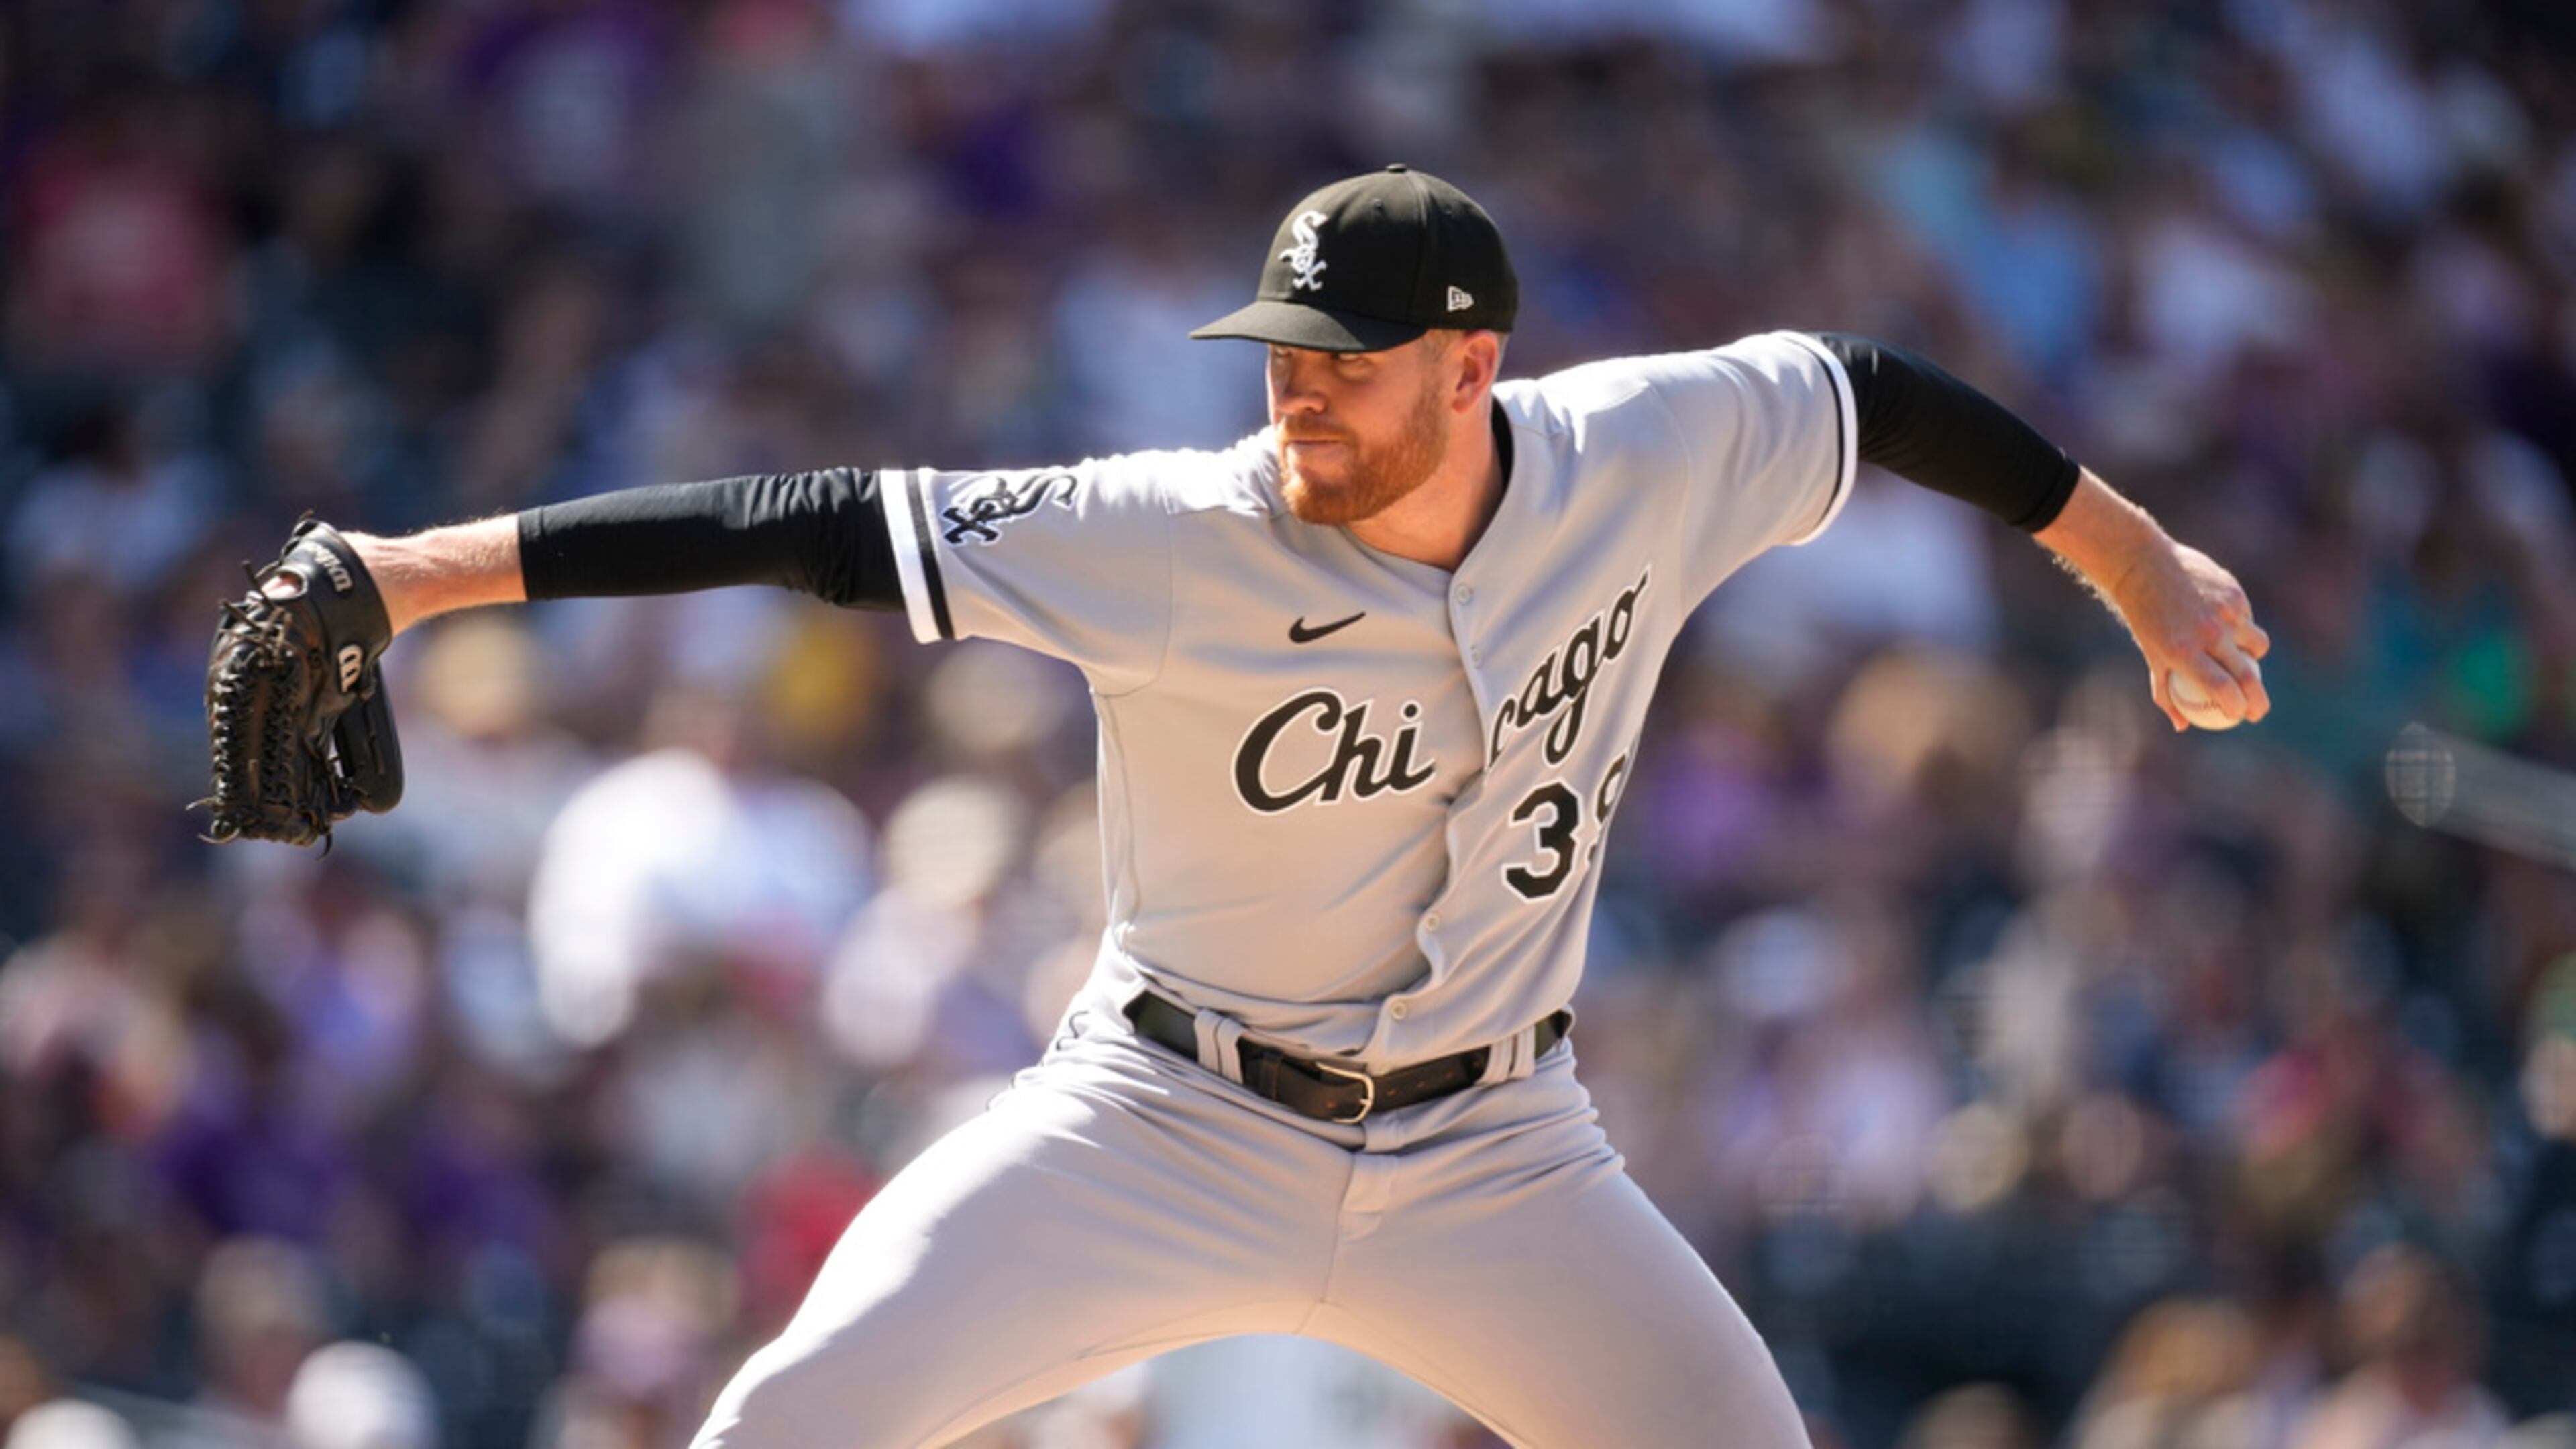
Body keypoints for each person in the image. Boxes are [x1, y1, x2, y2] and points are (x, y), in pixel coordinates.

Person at [236, 166, 2271, 1447]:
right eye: (1281, 351)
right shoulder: (1176, 530)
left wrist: (2137, 559)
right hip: (1161, 1121)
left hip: (1502, 1153)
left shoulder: (1656, 447)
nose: (1295, 394)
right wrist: (426, 571)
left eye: (1347, 361)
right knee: (792, 1420)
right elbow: (810, 527)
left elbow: (1878, 389)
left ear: (1472, 364)